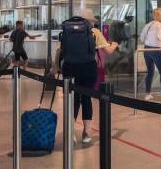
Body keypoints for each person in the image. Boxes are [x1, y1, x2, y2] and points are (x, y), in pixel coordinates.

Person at [49, 8, 117, 144]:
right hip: (88, 68)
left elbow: (58, 51)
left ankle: (71, 133)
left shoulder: (66, 31)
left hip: (69, 67)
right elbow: (108, 51)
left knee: (72, 99)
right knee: (86, 98)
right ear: (90, 20)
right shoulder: (94, 31)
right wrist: (114, 44)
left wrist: (55, 66)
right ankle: (86, 133)